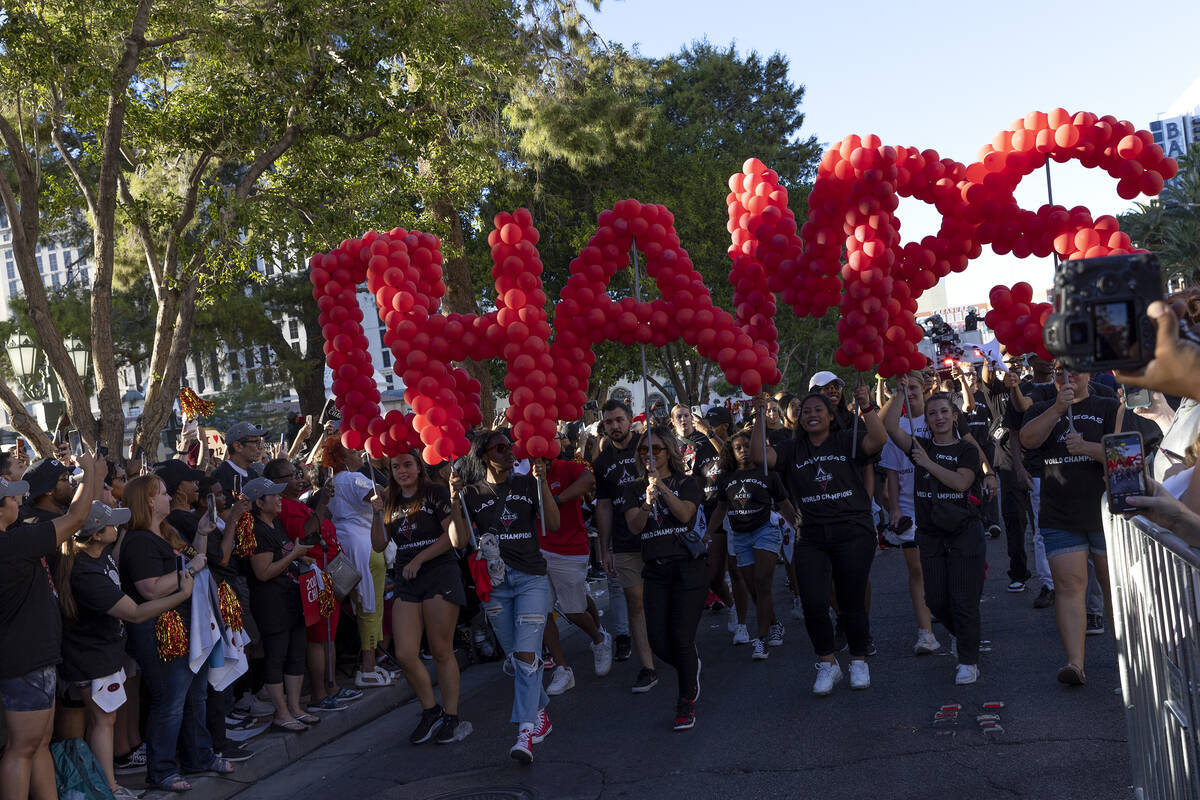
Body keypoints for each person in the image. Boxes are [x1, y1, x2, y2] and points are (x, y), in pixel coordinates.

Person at [751, 387, 886, 695]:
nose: (811, 414)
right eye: (806, 410)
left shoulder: (846, 439)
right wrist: (759, 415)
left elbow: (878, 440)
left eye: (818, 410)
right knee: (813, 602)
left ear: (829, 416)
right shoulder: (791, 448)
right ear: (799, 418)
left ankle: (858, 660)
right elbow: (761, 457)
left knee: (852, 601)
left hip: (853, 530)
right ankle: (827, 663)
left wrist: (867, 408)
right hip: (811, 535)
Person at [58, 502, 194, 799]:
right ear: (95, 535)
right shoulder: (85, 572)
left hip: (107, 651)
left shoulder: (101, 552)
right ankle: (109, 786)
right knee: (103, 721)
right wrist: (182, 593)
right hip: (92, 656)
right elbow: (134, 613)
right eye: (110, 524)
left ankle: (108, 783)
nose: (117, 527)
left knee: (107, 719)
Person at [449, 431, 559, 764]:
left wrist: (543, 484)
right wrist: (454, 501)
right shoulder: (469, 494)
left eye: (510, 446)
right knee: (516, 659)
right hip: (495, 585)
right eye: (500, 448)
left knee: (527, 654)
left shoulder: (528, 484)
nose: (509, 452)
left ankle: (525, 730)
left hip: (531, 581)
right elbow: (458, 541)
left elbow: (552, 524)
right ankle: (541, 714)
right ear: (484, 456)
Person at [119, 472, 230, 791]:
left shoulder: (165, 531)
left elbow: (197, 560)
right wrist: (189, 570)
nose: (170, 498)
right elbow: (151, 589)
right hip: (161, 630)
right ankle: (162, 771)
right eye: (164, 493)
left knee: (195, 696)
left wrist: (203, 534)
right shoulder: (139, 540)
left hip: (187, 626)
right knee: (169, 699)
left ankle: (199, 757)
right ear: (150, 501)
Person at [0, 453, 100, 800]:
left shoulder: (14, 539)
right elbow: (77, 517)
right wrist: (89, 473)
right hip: (24, 660)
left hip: (34, 657)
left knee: (39, 743)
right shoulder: (12, 544)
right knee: (21, 748)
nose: (19, 502)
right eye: (12, 498)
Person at [1019, 365, 1120, 685]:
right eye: (1061, 373)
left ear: (1089, 375)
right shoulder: (1041, 408)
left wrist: (1089, 448)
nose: (1068, 378)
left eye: (1075, 372)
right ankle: (1075, 664)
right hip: (1060, 515)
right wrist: (1059, 408)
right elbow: (1027, 440)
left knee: (1114, 589)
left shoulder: (1108, 406)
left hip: (1105, 514)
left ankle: (1130, 660)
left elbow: (1125, 454)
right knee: (1069, 588)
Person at [883, 388, 986, 685]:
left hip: (964, 531)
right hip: (929, 533)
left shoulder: (965, 449)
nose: (939, 417)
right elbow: (889, 426)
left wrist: (927, 463)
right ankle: (963, 635)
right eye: (932, 413)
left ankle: (968, 660)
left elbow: (962, 482)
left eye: (944, 412)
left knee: (963, 599)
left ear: (955, 416)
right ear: (925, 420)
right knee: (937, 600)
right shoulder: (919, 445)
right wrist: (898, 392)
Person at [383, 450, 469, 745]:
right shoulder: (388, 498)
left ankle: (452, 715)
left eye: (407, 464)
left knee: (441, 649)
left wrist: (419, 558)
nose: (402, 470)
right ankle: (430, 710)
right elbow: (379, 542)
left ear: (419, 467)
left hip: (438, 574)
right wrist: (374, 513)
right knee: (406, 654)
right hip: (407, 579)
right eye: (396, 466)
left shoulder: (434, 493)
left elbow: (453, 538)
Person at [262, 459, 361, 713]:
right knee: (318, 638)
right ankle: (320, 693)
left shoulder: (297, 503)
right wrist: (323, 505)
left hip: (328, 575)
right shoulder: (283, 509)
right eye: (291, 475)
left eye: (298, 473)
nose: (298, 478)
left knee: (329, 636)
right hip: (313, 577)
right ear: (276, 483)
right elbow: (306, 535)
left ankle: (333, 687)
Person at [623, 429, 706, 731]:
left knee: (681, 636)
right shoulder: (632, 488)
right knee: (658, 641)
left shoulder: (687, 482)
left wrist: (663, 489)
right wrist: (647, 500)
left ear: (667, 451)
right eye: (643, 451)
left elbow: (685, 515)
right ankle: (690, 666)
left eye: (655, 449)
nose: (649, 455)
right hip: (655, 571)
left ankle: (685, 702)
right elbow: (634, 527)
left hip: (688, 568)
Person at [708, 426, 797, 660]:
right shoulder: (726, 478)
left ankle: (761, 639)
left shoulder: (768, 473)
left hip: (765, 531)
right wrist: (707, 533)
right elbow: (720, 508)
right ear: (732, 452)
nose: (744, 451)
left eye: (747, 446)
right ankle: (774, 624)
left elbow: (784, 503)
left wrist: (798, 525)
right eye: (738, 448)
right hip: (740, 536)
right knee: (752, 586)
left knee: (762, 581)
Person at [244, 477, 321, 731]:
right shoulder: (256, 529)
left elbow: (287, 552)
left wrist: (302, 558)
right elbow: (263, 572)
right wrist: (294, 556)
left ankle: (295, 708)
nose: (279, 499)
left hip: (290, 598)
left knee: (296, 654)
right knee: (276, 657)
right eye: (273, 496)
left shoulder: (275, 523)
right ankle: (282, 712)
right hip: (271, 604)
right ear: (258, 502)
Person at [592, 399, 658, 692]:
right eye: (609, 422)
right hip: (624, 541)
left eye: (619, 420)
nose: (615, 426)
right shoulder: (602, 461)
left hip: (658, 534)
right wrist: (604, 548)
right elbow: (603, 507)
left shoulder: (649, 448)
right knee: (635, 602)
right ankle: (648, 667)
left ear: (631, 420)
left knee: (662, 597)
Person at [539, 449, 612, 697]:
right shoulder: (522, 473)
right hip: (539, 551)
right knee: (542, 612)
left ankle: (599, 639)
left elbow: (589, 480)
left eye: (542, 457)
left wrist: (555, 500)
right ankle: (562, 668)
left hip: (570, 548)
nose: (538, 462)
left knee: (574, 609)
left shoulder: (566, 467)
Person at [672, 403, 747, 643]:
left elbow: (731, 458)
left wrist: (709, 433)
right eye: (680, 417)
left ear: (724, 425)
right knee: (713, 576)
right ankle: (732, 604)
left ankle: (745, 620)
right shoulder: (693, 444)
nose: (703, 426)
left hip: (734, 507)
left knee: (735, 571)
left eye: (713, 423)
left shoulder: (716, 439)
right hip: (709, 510)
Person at [878, 375, 940, 655]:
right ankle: (925, 633)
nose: (909, 392)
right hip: (909, 509)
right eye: (903, 389)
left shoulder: (939, 419)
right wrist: (894, 507)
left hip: (941, 506)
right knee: (917, 571)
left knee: (942, 569)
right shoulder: (896, 428)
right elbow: (891, 471)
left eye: (913, 387)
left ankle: (948, 616)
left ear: (925, 388)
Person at [324, 439, 391, 688]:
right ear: (342, 458)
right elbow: (382, 496)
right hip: (366, 544)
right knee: (371, 607)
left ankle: (372, 662)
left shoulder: (329, 483)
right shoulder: (354, 479)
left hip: (343, 546)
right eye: (352, 451)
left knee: (362, 606)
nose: (360, 454)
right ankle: (368, 667)